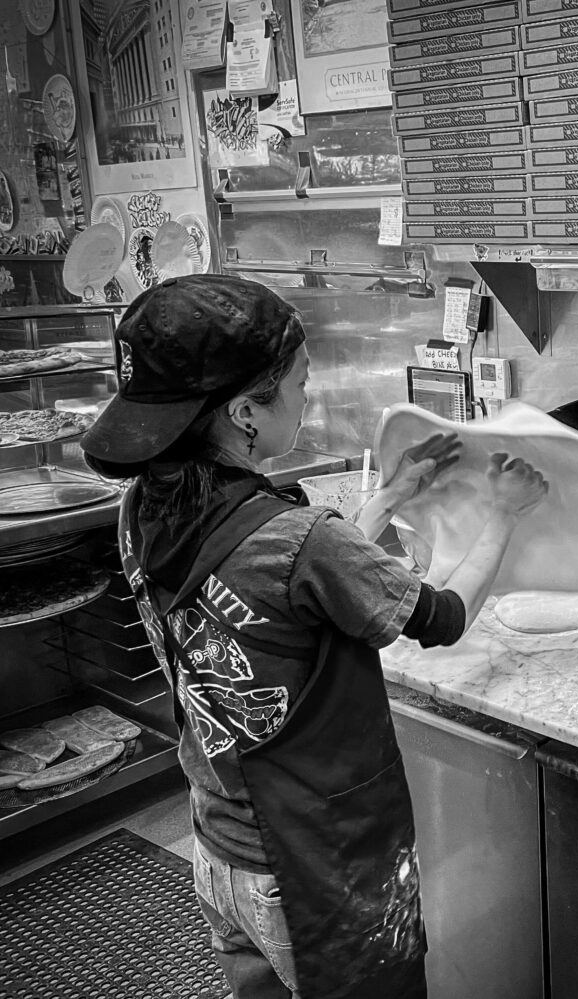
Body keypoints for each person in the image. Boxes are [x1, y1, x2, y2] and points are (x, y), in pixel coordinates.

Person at [81, 274, 548, 999]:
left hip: (221, 852)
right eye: (300, 384)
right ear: (243, 412)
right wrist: (505, 513)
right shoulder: (302, 539)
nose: (311, 397)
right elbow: (443, 614)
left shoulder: (143, 508)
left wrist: (389, 497)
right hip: (321, 870)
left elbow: (288, 590)